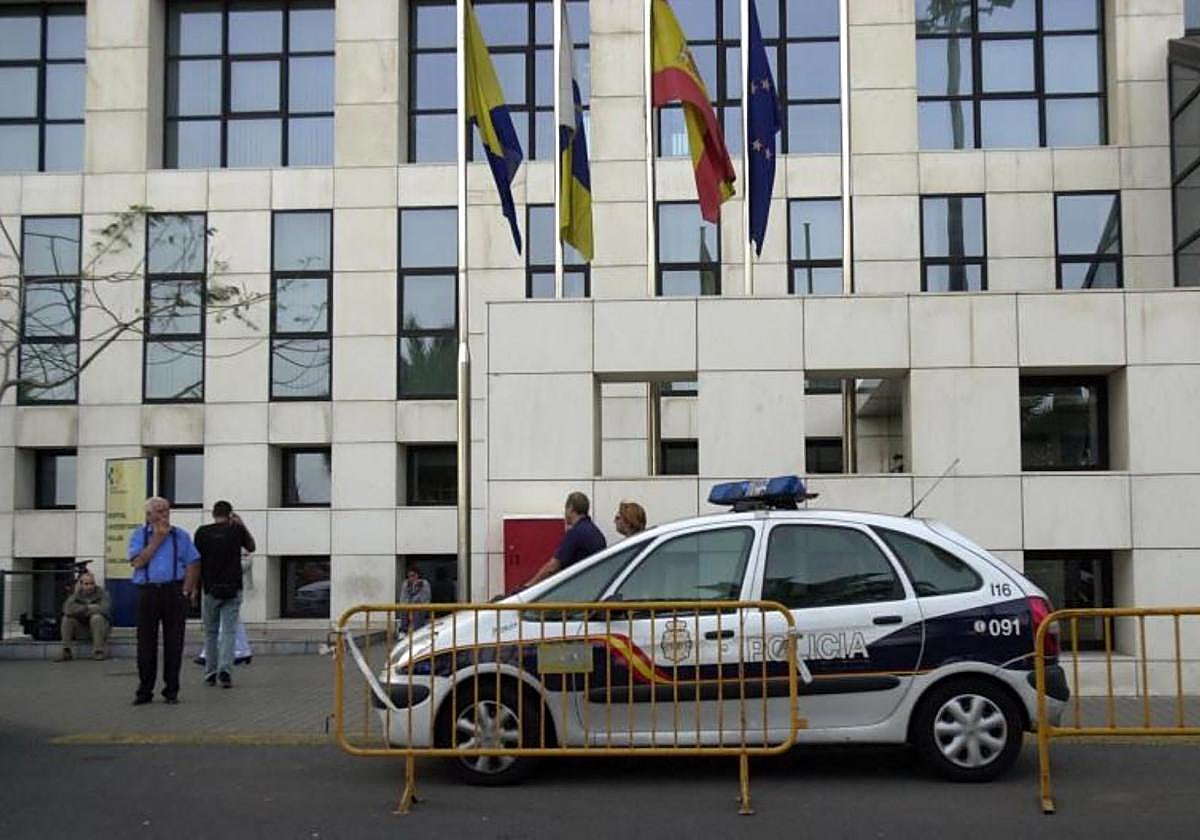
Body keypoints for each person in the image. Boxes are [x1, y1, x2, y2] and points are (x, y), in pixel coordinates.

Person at [127, 496, 201, 705]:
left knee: (174, 643)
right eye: (159, 511)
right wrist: (157, 539)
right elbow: (138, 562)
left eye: (167, 510)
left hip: (173, 591)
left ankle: (171, 690)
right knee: (146, 643)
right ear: (149, 515)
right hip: (148, 591)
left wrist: (187, 590)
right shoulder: (139, 535)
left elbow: (193, 562)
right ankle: (145, 690)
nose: (164, 515)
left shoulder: (180, 535)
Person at [192, 501, 256, 689]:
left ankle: (210, 672)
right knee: (229, 631)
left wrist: (195, 587)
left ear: (213, 514)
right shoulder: (236, 530)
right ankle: (225, 670)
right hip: (232, 588)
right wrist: (241, 524)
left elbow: (196, 561)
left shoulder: (202, 532)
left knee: (210, 632)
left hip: (210, 588)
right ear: (230, 515)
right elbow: (251, 546)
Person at [523, 491, 607, 588]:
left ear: (570, 508)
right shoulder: (597, 533)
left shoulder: (576, 533)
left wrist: (529, 586)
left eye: (565, 509)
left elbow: (553, 567)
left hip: (578, 588)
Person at [193, 550, 254, 667]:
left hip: (228, 583)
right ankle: (242, 651)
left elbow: (246, 558)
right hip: (220, 582)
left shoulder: (236, 542)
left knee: (222, 620)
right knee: (232, 620)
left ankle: (211, 654)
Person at [56, 571, 111, 661]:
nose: (89, 586)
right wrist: (87, 607)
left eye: (92, 583)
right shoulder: (76, 595)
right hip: (81, 628)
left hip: (99, 630)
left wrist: (79, 611)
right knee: (67, 619)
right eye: (86, 584)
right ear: (81, 584)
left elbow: (104, 609)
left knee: (97, 618)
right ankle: (66, 651)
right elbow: (67, 609)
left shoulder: (103, 594)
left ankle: (98, 651)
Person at [398, 566, 432, 634]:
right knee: (403, 610)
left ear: (418, 575)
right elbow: (403, 599)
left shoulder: (424, 583)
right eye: (409, 576)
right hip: (408, 609)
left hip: (420, 609)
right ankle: (403, 630)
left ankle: (416, 632)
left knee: (417, 612)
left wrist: (415, 588)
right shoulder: (406, 583)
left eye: (413, 576)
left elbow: (424, 599)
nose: (411, 578)